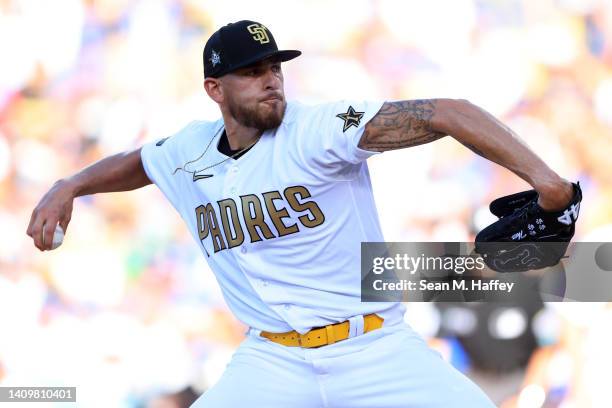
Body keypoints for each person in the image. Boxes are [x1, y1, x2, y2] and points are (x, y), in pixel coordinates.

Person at [27, 20, 574, 407]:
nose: (270, 79)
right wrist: (70, 184)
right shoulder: (188, 150)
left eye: (274, 67)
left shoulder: (318, 128)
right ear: (214, 89)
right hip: (272, 362)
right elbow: (139, 163)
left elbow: (450, 112)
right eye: (251, 71)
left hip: (374, 348)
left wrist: (547, 184)